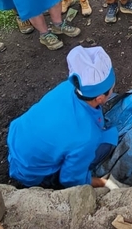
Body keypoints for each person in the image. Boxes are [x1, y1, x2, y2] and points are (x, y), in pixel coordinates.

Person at [8, 45, 118, 188]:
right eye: (111, 90)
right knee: (106, 142)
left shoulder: (67, 87)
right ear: (99, 99)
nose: (113, 91)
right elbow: (70, 180)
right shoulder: (87, 136)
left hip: (18, 147)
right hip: (34, 175)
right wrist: (104, 183)